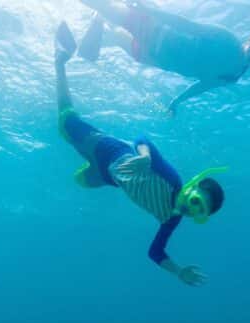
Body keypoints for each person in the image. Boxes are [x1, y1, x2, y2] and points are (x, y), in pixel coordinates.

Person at [54, 23, 227, 287]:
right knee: (65, 122)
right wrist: (145, 157)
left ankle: (83, 161)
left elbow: (154, 252)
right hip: (108, 150)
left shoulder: (171, 219)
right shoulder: (171, 178)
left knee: (78, 181)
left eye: (198, 212)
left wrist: (178, 272)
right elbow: (141, 139)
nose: (190, 210)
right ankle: (61, 60)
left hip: (108, 177)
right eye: (195, 201)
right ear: (190, 188)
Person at [76, 0, 250, 114]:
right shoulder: (227, 42)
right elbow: (186, 25)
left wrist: (176, 101)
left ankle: (101, 25)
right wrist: (151, 11)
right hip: (156, 34)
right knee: (107, 9)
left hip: (154, 55)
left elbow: (201, 86)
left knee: (116, 35)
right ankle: (101, 21)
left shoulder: (232, 74)